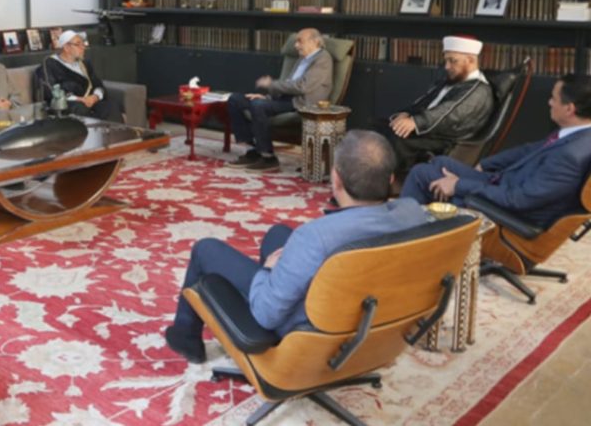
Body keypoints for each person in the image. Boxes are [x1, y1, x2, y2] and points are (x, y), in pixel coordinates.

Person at [164, 130, 429, 363]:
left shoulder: (316, 236)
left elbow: (266, 313)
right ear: (391, 179)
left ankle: (186, 337)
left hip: (312, 331)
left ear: (336, 180)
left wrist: (268, 272)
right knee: (278, 234)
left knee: (206, 249)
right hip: (368, 314)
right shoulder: (413, 213)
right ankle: (273, 290)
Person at [401, 74, 591, 230]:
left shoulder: (570, 155)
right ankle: (425, 229)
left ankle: (405, 239)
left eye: (554, 98)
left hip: (508, 213)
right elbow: (527, 150)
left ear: (569, 109)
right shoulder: (577, 136)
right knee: (441, 163)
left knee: (421, 174)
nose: (549, 102)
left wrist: (458, 185)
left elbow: (519, 200)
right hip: (505, 185)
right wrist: (485, 165)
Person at [377, 36, 494, 174]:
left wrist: (415, 122)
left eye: (453, 61)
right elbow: (423, 101)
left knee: (396, 139)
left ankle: (388, 180)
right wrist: (406, 113)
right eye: (446, 60)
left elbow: (449, 113)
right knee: (379, 126)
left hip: (445, 139)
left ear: (470, 60)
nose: (447, 66)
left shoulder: (479, 90)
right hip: (430, 130)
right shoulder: (453, 80)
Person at [226, 28, 333, 172]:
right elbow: (288, 83)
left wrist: (271, 84)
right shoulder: (302, 58)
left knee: (258, 106)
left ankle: (268, 158)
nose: (296, 45)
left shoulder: (323, 59)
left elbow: (302, 86)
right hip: (285, 99)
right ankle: (253, 151)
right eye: (296, 42)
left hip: (301, 103)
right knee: (235, 99)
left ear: (315, 42)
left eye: (300, 41)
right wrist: (267, 97)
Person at [34, 30, 123, 122]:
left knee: (111, 106)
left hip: (90, 101)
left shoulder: (85, 64)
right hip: (68, 104)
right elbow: (51, 91)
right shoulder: (49, 64)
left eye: (83, 44)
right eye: (78, 44)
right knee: (79, 108)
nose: (83, 47)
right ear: (66, 47)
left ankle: (118, 131)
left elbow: (98, 84)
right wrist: (80, 99)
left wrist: (95, 97)